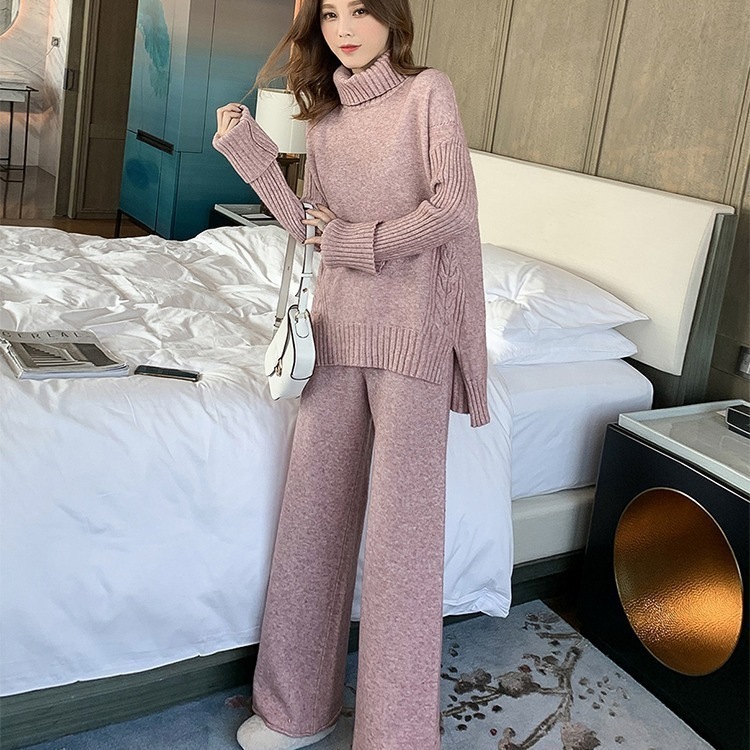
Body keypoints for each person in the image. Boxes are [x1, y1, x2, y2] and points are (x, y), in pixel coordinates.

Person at [213, 1, 489, 748]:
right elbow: (312, 230)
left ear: (391, 16)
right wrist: (252, 158)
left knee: (402, 548)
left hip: (412, 340)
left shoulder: (428, 93)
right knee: (312, 521)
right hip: (334, 334)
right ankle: (296, 709)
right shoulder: (328, 121)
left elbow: (453, 210)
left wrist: (357, 243)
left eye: (361, 8)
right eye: (330, 12)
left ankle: (394, 737)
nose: (343, 26)